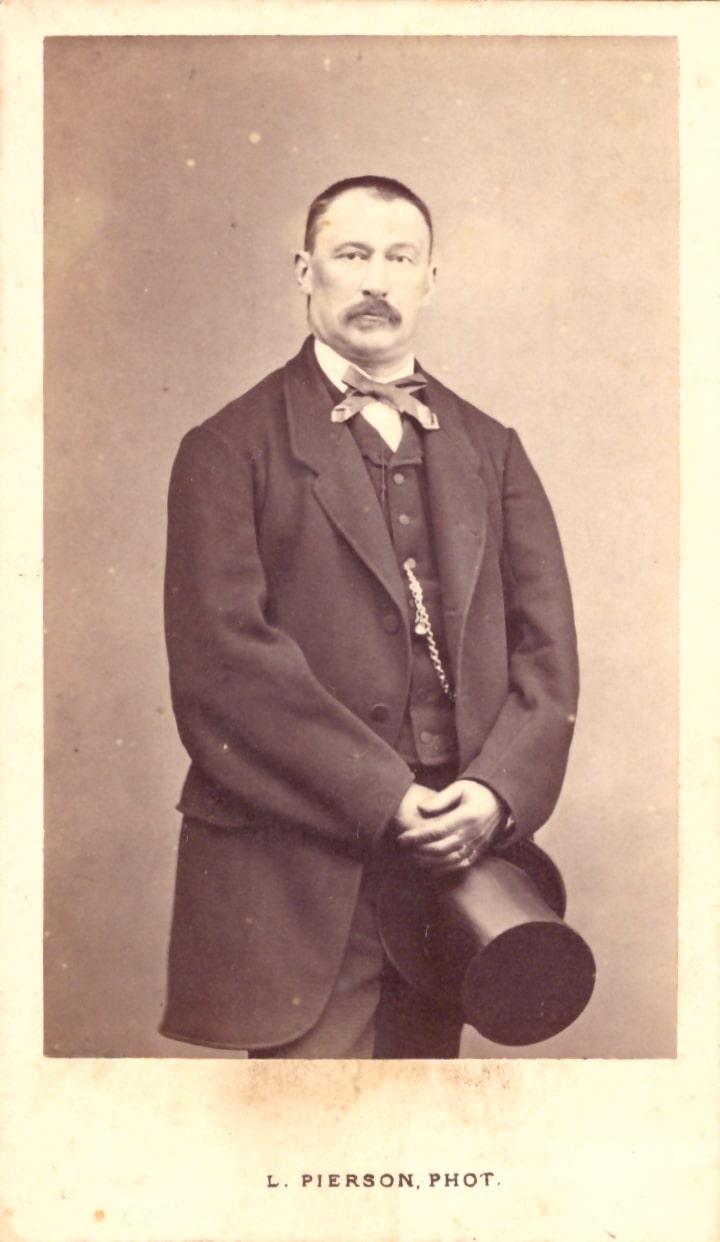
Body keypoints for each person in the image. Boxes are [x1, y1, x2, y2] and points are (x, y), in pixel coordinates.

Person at [160, 175, 579, 1059]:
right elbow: (223, 667)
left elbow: (548, 659)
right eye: (352, 255)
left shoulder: (494, 449)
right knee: (310, 1129)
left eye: (400, 258)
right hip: (295, 876)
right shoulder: (226, 449)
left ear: (432, 279)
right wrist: (383, 794)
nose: (377, 281)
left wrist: (496, 793)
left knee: (422, 1124)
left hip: (456, 877)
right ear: (304, 271)